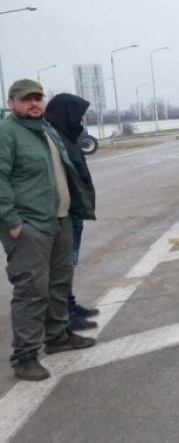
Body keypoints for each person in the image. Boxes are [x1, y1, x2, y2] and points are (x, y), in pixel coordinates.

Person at [0, 79, 97, 381]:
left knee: (58, 283)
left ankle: (57, 338)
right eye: (26, 99)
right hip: (30, 226)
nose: (34, 104)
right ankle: (25, 356)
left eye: (38, 98)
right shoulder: (7, 133)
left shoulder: (46, 130)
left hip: (60, 219)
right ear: (11, 101)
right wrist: (13, 222)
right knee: (32, 290)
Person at [44, 93, 101, 330]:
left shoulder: (67, 136)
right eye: (78, 116)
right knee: (62, 266)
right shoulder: (54, 138)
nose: (80, 121)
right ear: (66, 114)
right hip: (66, 211)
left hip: (74, 209)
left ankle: (70, 303)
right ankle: (65, 313)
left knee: (68, 265)